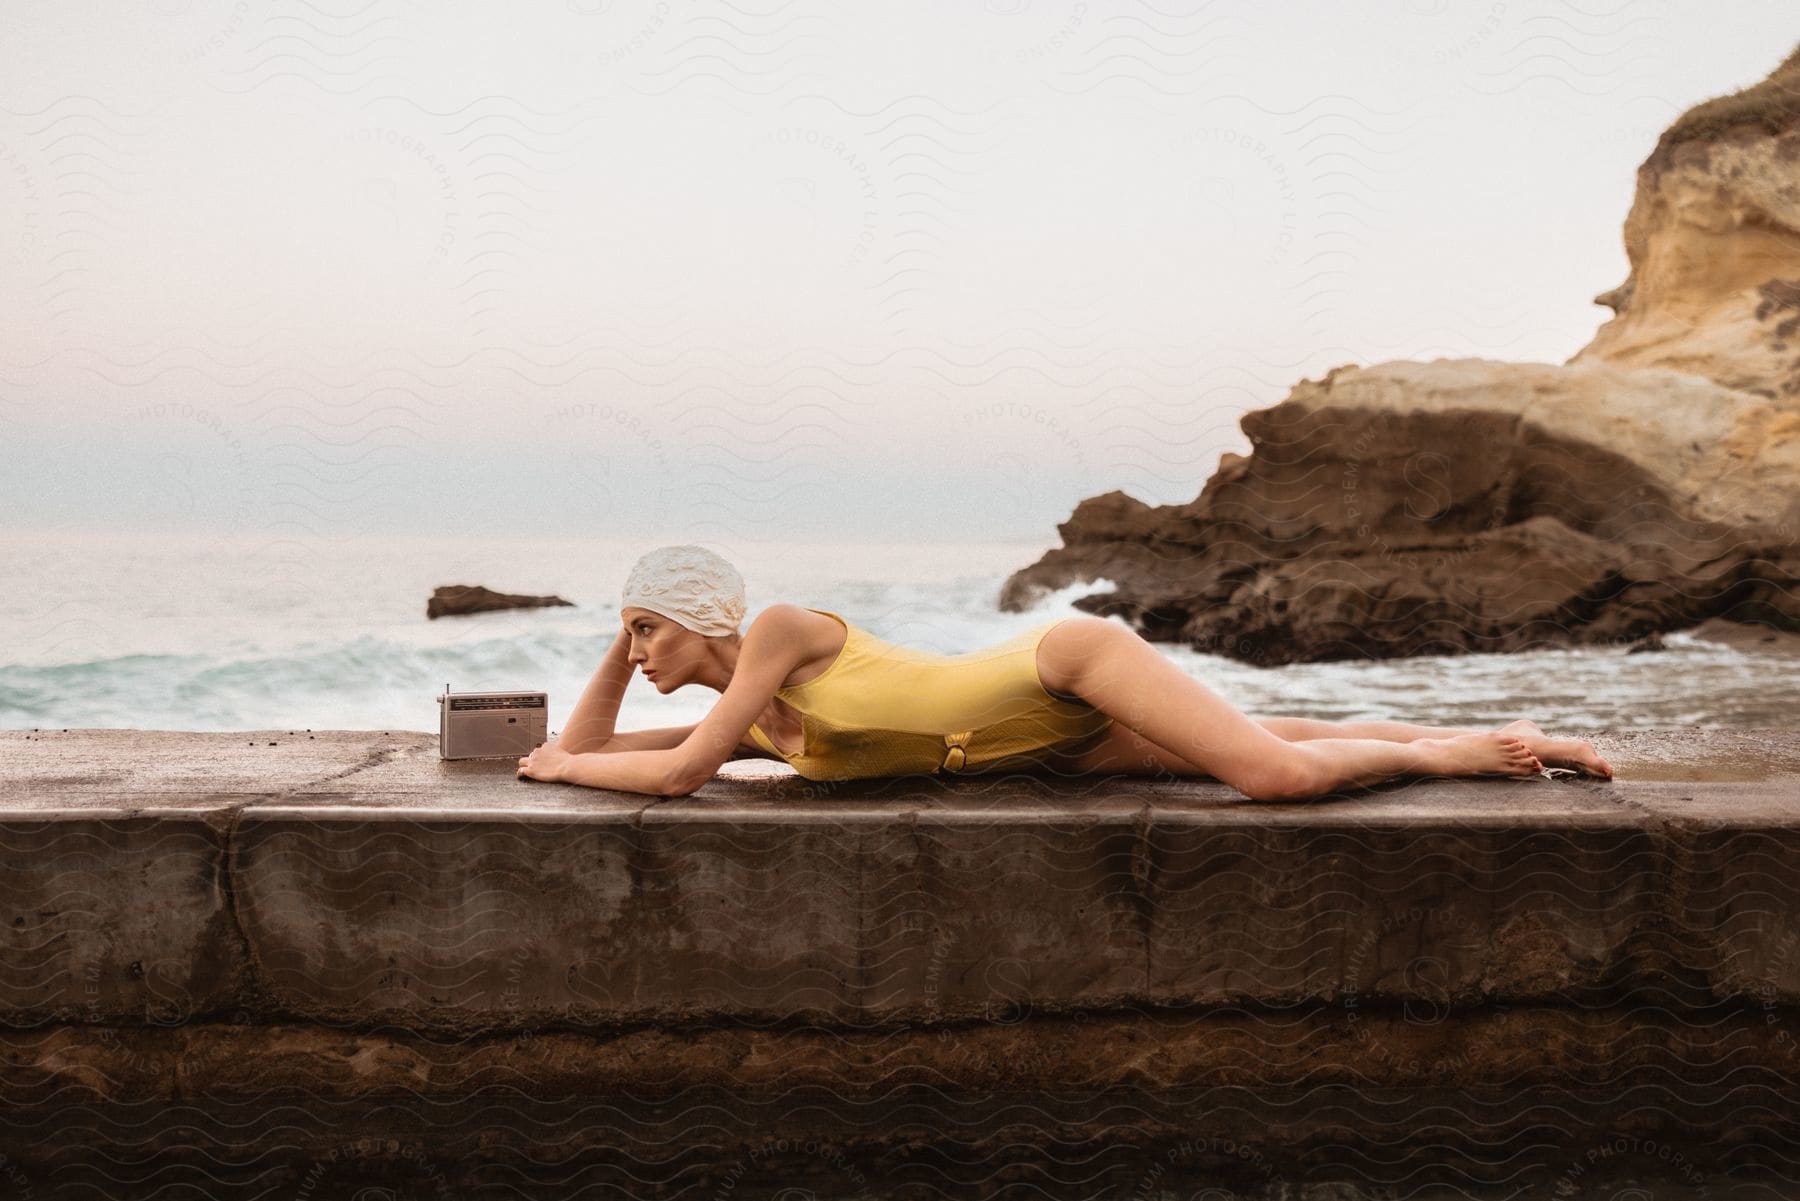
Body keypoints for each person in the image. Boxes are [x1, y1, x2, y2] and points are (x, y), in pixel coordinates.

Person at [516, 545, 1614, 799]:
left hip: (1059, 674)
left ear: (692, 619)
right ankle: (1518, 740)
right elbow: (597, 747)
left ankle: (1460, 752)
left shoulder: (784, 631)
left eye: (642, 633)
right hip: (1063, 752)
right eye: (627, 639)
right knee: (1283, 739)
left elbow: (659, 777)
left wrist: (560, 776)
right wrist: (603, 686)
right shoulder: (752, 727)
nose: (637, 653)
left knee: (1277, 777)